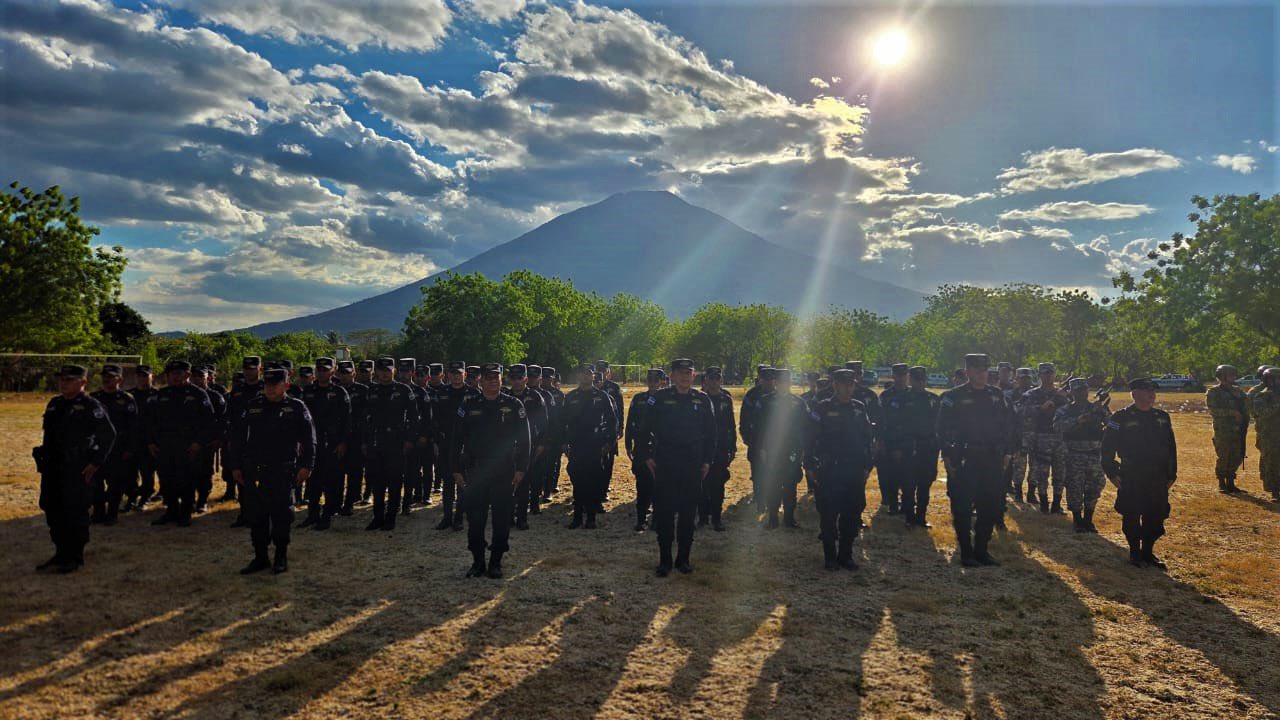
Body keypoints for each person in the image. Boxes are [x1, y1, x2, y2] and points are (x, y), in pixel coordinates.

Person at [226, 367, 316, 575]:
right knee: (257, 515)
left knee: (282, 515)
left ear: (286, 385)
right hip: (255, 470)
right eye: (267, 384)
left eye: (275, 385)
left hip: (283, 470)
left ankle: (280, 556)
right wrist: (236, 465)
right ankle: (260, 557)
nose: (270, 388)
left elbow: (309, 440)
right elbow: (238, 438)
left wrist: (307, 465)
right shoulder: (253, 406)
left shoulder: (296, 407)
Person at [635, 358, 717, 577]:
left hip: (692, 464)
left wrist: (707, 460)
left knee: (688, 515)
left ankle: (683, 559)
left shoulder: (702, 399)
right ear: (671, 375)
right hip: (665, 462)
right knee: (664, 513)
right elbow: (644, 430)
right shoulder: (659, 398)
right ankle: (665, 560)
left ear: (694, 375)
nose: (684, 377)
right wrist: (646, 456)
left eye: (688, 373)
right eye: (680, 373)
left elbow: (711, 434)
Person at [34, 365, 116, 573]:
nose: (64, 383)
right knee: (53, 508)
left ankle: (74, 556)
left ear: (83, 382)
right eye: (62, 379)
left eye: (69, 380)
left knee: (74, 510)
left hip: (77, 467)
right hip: (53, 467)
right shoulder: (55, 404)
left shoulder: (91, 406)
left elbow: (108, 435)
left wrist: (95, 463)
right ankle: (61, 552)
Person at [451, 363, 530, 578]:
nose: (493, 381)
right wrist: (456, 469)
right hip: (476, 470)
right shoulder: (469, 404)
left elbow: (525, 440)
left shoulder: (513, 404)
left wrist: (521, 468)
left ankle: (496, 562)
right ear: (481, 380)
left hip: (504, 470)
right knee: (475, 519)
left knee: (501, 519)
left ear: (501, 379)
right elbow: (456, 439)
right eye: (488, 377)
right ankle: (478, 561)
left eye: (496, 377)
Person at [936, 354, 1012, 568]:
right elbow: (941, 429)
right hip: (965, 458)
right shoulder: (953, 397)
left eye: (984, 369)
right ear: (967, 371)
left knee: (990, 506)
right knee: (962, 507)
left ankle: (981, 550)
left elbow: (1007, 425)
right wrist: (947, 456)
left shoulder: (996, 395)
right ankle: (966, 552)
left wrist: (1007, 453)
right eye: (977, 369)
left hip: (991, 458)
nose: (982, 373)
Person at [1101, 378, 1178, 568]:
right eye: (1146, 390)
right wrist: (1112, 472)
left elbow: (1171, 447)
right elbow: (1107, 447)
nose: (1152, 394)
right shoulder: (1121, 417)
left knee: (1156, 514)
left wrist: (1171, 473)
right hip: (1132, 473)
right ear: (1134, 394)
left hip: (1157, 474)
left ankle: (1148, 552)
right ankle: (1135, 552)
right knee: (1132, 513)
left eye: (1153, 391)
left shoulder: (1162, 417)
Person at [809, 368, 874, 570]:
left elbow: (867, 439)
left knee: (852, 513)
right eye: (844, 384)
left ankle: (846, 555)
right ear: (835, 385)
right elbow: (810, 439)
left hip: (854, 469)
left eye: (851, 384)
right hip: (830, 470)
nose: (848, 388)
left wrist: (867, 466)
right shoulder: (822, 408)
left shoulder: (859, 407)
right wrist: (809, 466)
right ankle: (830, 557)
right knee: (828, 514)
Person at [144, 360, 216, 527]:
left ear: (187, 374)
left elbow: (208, 421)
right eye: (171, 374)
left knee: (186, 480)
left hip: (188, 446)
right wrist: (150, 442)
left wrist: (198, 442)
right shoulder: (162, 394)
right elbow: (150, 421)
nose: (174, 377)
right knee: (166, 480)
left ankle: (185, 513)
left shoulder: (198, 394)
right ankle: (171, 511)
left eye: (178, 374)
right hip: (165, 446)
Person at [362, 356, 418, 531]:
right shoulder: (371, 390)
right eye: (382, 371)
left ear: (394, 371)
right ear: (376, 372)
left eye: (388, 370)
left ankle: (391, 517)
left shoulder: (403, 390)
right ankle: (377, 517)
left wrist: (409, 439)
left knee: (394, 481)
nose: (385, 374)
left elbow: (414, 417)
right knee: (377, 481)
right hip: (376, 440)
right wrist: (365, 441)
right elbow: (364, 418)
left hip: (396, 441)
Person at [560, 364, 618, 529]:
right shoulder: (571, 397)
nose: (585, 376)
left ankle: (591, 517)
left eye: (588, 373)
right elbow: (562, 422)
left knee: (594, 480)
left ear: (593, 375)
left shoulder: (602, 396)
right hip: (577, 444)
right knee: (577, 479)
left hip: (595, 444)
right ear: (578, 376)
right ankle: (577, 517)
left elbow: (612, 421)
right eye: (582, 373)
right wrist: (564, 442)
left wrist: (609, 443)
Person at [299, 357, 350, 531]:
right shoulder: (307, 392)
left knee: (330, 481)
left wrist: (343, 442)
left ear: (332, 371)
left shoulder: (339, 392)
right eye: (319, 370)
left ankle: (326, 516)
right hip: (312, 442)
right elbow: (301, 420)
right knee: (313, 481)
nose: (321, 373)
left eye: (325, 370)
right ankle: (312, 514)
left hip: (332, 443)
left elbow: (347, 420)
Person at [1053, 377, 1110, 532]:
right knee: (1074, 487)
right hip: (1074, 454)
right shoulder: (1065, 410)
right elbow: (1057, 427)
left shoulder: (1096, 408)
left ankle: (1088, 520)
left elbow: (1112, 425)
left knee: (1095, 487)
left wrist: (1103, 411)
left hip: (1094, 454)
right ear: (1071, 392)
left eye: (1084, 390)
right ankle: (1077, 520)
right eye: (1078, 390)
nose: (1082, 393)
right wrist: (1078, 420)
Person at [756, 369, 810, 528]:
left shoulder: (799, 402)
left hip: (792, 449)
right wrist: (761, 448)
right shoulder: (766, 401)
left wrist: (803, 448)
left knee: (790, 485)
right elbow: (759, 428)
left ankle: (789, 518)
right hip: (772, 449)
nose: (784, 384)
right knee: (773, 484)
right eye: (781, 382)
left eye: (787, 381)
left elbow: (806, 427)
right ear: (775, 382)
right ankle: (773, 517)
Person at [89, 364, 138, 526]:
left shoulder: (127, 399)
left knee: (115, 484)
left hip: (118, 449)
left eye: (111, 376)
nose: (107, 379)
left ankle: (112, 513)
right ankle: (98, 513)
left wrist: (130, 449)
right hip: (97, 449)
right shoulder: (93, 398)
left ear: (119, 379)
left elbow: (133, 427)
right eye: (105, 376)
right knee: (95, 483)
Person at [433, 361, 478, 531]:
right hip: (447, 443)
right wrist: (436, 442)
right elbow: (434, 419)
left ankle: (458, 518)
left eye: (459, 373)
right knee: (447, 482)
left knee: (463, 482)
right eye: (453, 373)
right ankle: (447, 517)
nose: (456, 376)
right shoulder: (441, 393)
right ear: (448, 375)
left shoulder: (474, 393)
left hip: (466, 445)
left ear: (464, 374)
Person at [504, 364, 547, 531]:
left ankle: (522, 518)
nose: (516, 381)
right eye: (513, 378)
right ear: (509, 380)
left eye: (520, 378)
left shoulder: (535, 397)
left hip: (528, 446)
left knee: (524, 483)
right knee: (507, 484)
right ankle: (508, 516)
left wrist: (541, 444)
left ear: (526, 379)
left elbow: (543, 422)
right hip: (507, 448)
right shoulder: (504, 396)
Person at [1023, 362, 1068, 514]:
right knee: (1042, 472)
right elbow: (1022, 411)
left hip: (1059, 438)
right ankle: (1043, 503)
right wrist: (1040, 408)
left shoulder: (1062, 395)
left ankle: (1056, 504)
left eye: (1050, 373)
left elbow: (1071, 412)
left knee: (1059, 472)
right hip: (1040, 437)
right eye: (1045, 374)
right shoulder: (1032, 394)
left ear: (1054, 375)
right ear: (1039, 375)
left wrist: (1066, 398)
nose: (1048, 377)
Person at [225, 356, 264, 526]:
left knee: (263, 481)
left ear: (260, 369)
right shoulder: (237, 390)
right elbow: (230, 416)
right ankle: (245, 514)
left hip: (261, 440)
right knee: (243, 479)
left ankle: (261, 515)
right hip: (241, 440)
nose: (249, 372)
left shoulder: (266, 388)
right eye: (246, 369)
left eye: (252, 368)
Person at [698, 366, 736, 531]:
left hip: (720, 447)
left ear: (721, 380)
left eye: (717, 379)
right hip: (703, 447)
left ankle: (716, 518)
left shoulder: (726, 399)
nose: (714, 382)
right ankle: (702, 517)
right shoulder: (699, 398)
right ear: (705, 380)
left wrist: (732, 445)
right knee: (702, 483)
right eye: (711, 379)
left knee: (718, 483)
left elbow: (731, 424)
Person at [625, 368, 664, 531]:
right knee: (642, 485)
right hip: (641, 447)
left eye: (656, 380)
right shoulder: (639, 398)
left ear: (662, 382)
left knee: (660, 486)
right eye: (650, 380)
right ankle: (641, 519)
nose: (652, 383)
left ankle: (657, 518)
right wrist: (628, 444)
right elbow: (630, 422)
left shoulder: (668, 399)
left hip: (661, 449)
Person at [904, 366, 941, 528]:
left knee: (925, 484)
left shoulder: (933, 399)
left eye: (922, 379)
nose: (920, 383)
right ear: (910, 379)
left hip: (928, 448)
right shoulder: (903, 398)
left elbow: (939, 424)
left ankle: (921, 516)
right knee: (908, 484)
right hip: (909, 447)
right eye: (916, 379)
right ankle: (909, 517)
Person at [1205, 364, 1250, 494]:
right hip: (1223, 430)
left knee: (1237, 456)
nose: (1233, 377)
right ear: (1221, 376)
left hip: (1238, 429)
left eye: (1234, 375)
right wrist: (1232, 413)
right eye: (1230, 375)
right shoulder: (1213, 392)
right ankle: (1221, 482)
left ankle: (1231, 482)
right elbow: (1213, 410)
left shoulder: (1238, 391)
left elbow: (1247, 405)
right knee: (1224, 455)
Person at [190, 365, 226, 514]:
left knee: (204, 473)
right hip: (188, 441)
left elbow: (222, 420)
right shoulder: (187, 394)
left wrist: (219, 439)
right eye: (195, 376)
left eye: (201, 376)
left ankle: (202, 501)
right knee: (188, 473)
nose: (198, 379)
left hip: (207, 442)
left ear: (208, 378)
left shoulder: (215, 396)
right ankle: (189, 501)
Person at [335, 360, 367, 516]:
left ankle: (349, 503)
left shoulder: (363, 390)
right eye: (341, 373)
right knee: (337, 472)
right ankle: (336, 502)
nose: (344, 376)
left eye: (347, 373)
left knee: (355, 472)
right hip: (337, 436)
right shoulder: (334, 390)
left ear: (353, 373)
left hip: (356, 436)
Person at [739, 365, 771, 510]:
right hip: (756, 439)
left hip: (773, 440)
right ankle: (758, 496)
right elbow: (744, 417)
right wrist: (746, 437)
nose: (767, 382)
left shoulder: (778, 394)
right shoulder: (752, 394)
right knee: (757, 469)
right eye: (764, 378)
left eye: (770, 378)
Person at [128, 365, 159, 511]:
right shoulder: (129, 395)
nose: (142, 379)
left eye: (145, 376)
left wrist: (154, 440)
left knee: (147, 471)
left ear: (152, 376)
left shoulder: (158, 395)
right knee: (130, 472)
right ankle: (131, 498)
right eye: (139, 376)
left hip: (150, 441)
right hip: (132, 440)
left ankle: (145, 498)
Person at [1006, 368, 1036, 503]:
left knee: (1035, 466)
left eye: (1027, 378)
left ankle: (1031, 493)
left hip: (1035, 435)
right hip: (1018, 435)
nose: (1025, 381)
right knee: (1019, 465)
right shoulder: (1010, 395)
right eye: (1022, 378)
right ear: (1016, 379)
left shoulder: (1037, 394)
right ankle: (1018, 492)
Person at [1250, 368, 1279, 502]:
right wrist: (1277, 406)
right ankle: (1275, 491)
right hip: (1270, 435)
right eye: (1277, 379)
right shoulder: (1262, 395)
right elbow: (1261, 414)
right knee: (1271, 462)